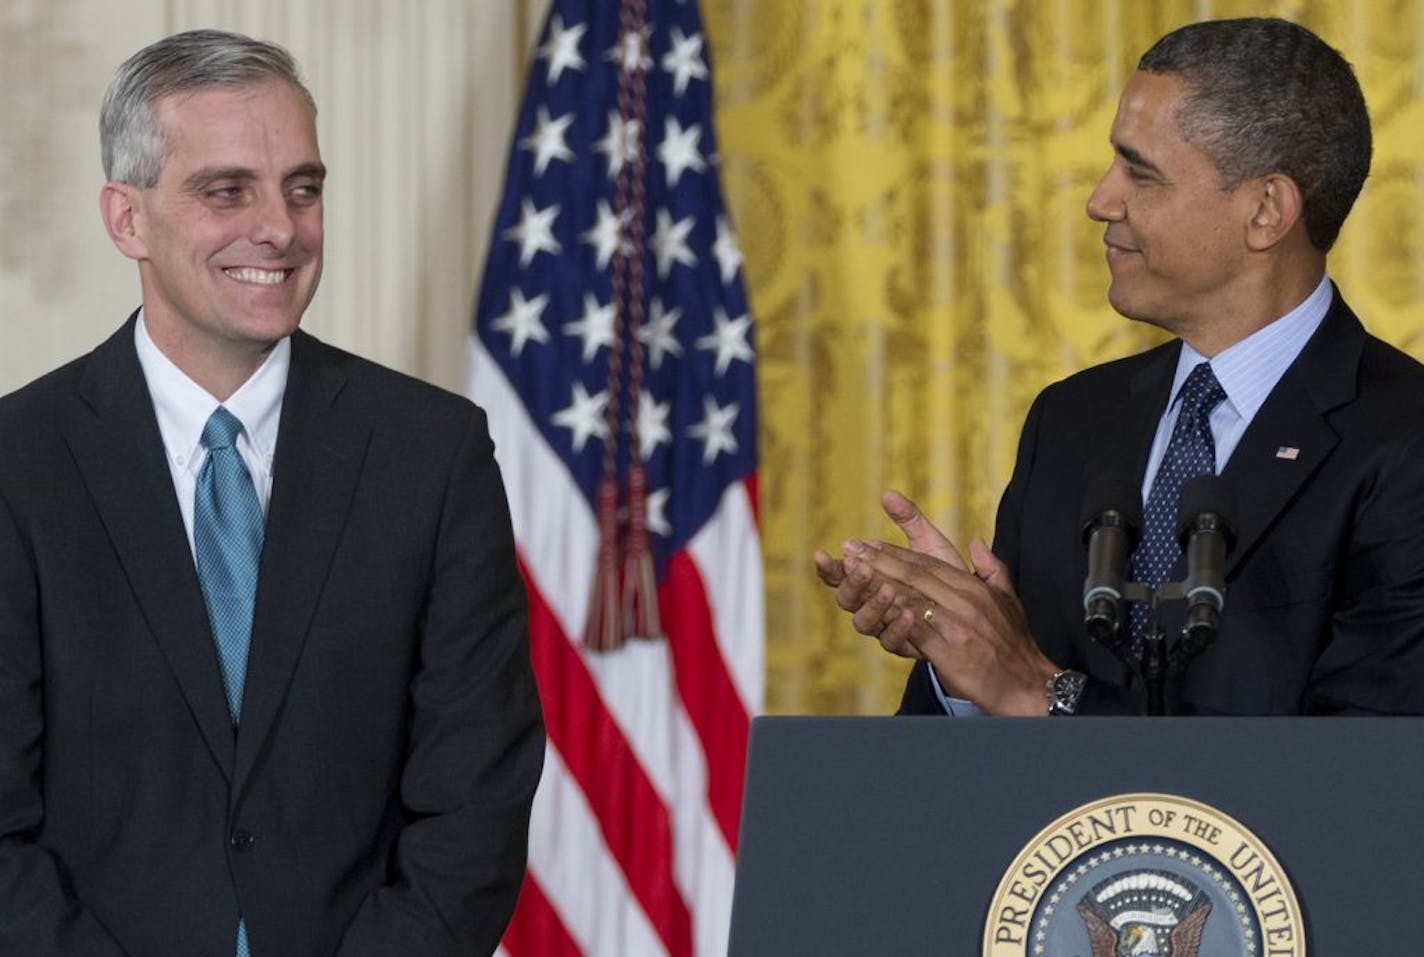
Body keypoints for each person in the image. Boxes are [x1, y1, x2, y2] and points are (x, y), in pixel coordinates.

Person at [0, 30, 544, 956]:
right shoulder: (18, 463)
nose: (281, 228)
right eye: (227, 191)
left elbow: (475, 799)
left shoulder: (433, 452)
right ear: (127, 219)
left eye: (303, 187)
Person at [815, 17, 1424, 717]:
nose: (1100, 201)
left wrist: (1037, 690)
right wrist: (963, 659)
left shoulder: (1403, 442)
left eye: (1140, 172)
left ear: (1266, 210)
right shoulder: (1069, 420)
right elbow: (956, 780)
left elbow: (1366, 778)